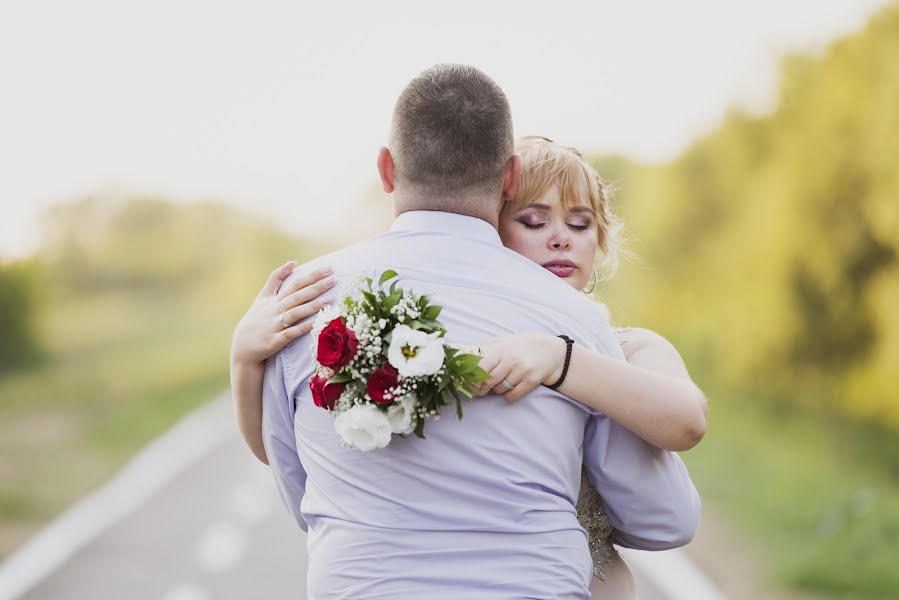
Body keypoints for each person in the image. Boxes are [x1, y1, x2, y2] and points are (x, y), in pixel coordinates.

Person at [238, 64, 701, 599]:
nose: (559, 240)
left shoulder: (298, 303)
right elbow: (663, 517)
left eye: (578, 224)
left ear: (386, 170)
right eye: (537, 220)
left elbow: (299, 492)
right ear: (508, 178)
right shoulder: (574, 323)